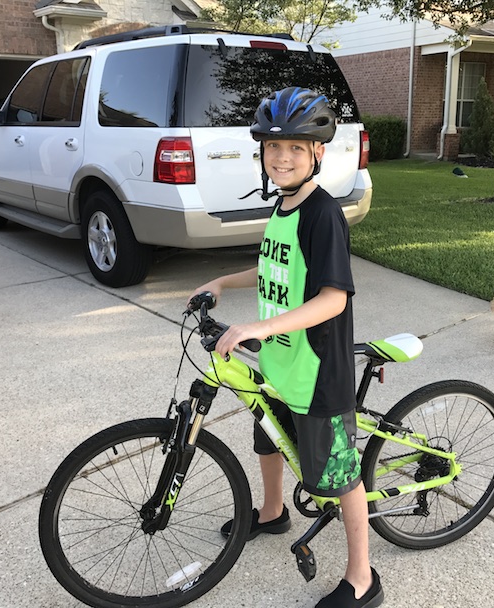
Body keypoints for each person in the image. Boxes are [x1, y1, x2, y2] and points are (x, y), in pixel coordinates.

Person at [188, 87, 383, 608]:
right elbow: (276, 265)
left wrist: (256, 328)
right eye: (274, 148)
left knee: (340, 477)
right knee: (268, 440)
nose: (283, 157)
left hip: (318, 371)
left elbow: (333, 299)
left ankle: (363, 578)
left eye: (296, 147)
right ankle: (273, 513)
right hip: (281, 362)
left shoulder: (323, 214)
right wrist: (225, 282)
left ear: (318, 153)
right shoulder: (284, 206)